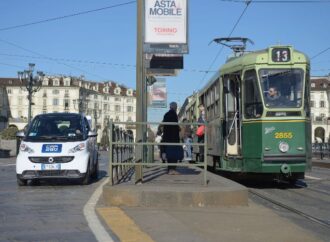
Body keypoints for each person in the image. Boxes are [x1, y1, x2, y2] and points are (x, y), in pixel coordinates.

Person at [162, 102, 181, 175]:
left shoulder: (166, 114)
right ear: (175, 107)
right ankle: (172, 169)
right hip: (173, 137)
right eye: (176, 107)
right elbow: (174, 126)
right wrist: (178, 128)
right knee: (174, 153)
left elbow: (165, 125)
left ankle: (170, 169)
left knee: (169, 153)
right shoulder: (174, 115)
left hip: (167, 136)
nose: (176, 108)